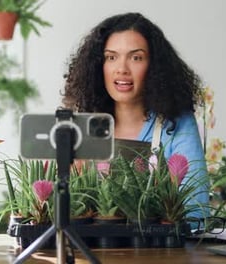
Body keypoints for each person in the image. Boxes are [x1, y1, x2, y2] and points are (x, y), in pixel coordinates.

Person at [61, 12, 209, 220]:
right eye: (111, 57)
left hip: (161, 251)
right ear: (98, 66)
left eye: (136, 58)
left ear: (154, 66)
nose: (122, 69)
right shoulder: (82, 127)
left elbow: (196, 210)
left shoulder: (177, 124)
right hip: (92, 250)